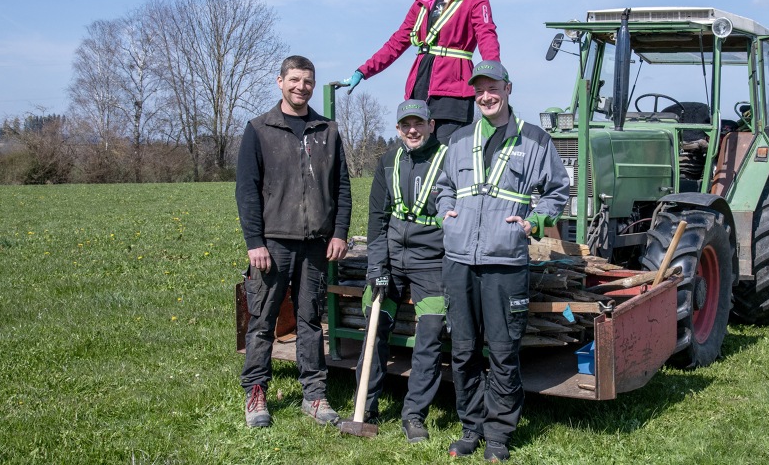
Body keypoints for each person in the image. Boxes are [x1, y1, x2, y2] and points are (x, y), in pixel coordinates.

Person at [435, 60, 570, 462]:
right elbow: (442, 186)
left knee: (503, 350)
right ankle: (470, 428)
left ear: (508, 89)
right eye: (479, 90)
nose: (485, 96)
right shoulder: (459, 139)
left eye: (492, 88)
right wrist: (446, 212)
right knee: (462, 349)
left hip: (505, 261)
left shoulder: (535, 140)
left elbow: (558, 189)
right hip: (459, 260)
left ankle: (498, 434)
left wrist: (534, 221)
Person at [235, 55, 352, 428]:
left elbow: (343, 188)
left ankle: (314, 396)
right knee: (262, 320)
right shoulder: (259, 129)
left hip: (316, 244)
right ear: (280, 81)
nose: (301, 87)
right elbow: (247, 191)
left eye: (308, 81)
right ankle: (256, 393)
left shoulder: (327, 130)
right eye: (295, 80)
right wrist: (255, 241)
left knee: (311, 321)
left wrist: (339, 233)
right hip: (273, 245)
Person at [341, 0, 500, 144]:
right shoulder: (423, 1)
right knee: (419, 152)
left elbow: (486, 35)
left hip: (454, 86)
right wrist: (363, 71)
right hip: (421, 84)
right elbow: (397, 42)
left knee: (449, 154)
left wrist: (493, 73)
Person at [355, 99, 449, 444]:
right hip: (391, 258)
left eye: (418, 124)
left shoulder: (448, 160)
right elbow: (376, 221)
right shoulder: (387, 161)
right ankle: (366, 404)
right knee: (375, 319)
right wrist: (377, 267)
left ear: (431, 125)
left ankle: (414, 415)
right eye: (405, 125)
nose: (412, 130)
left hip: (432, 260)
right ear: (397, 129)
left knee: (431, 329)